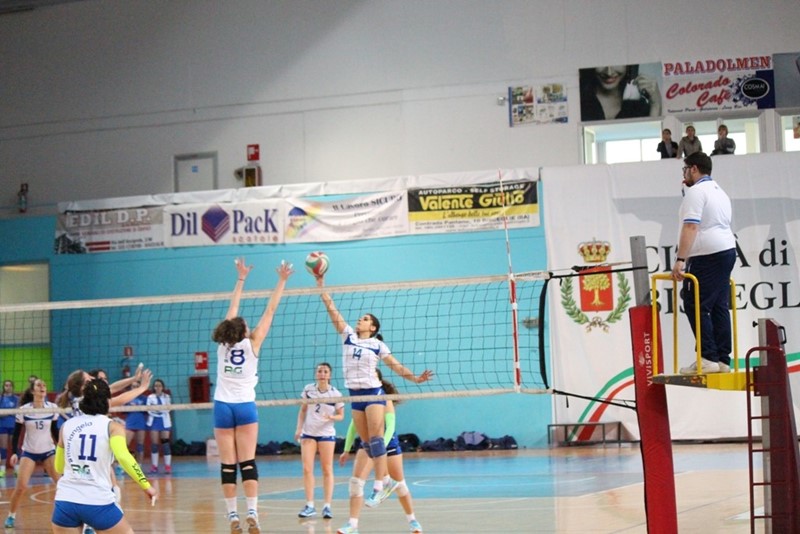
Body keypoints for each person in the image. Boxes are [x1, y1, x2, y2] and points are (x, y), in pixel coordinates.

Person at [316, 273, 433, 510]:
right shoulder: (348, 336)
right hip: (355, 395)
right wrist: (321, 286)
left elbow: (396, 366)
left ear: (373, 327)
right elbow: (332, 309)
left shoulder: (378, 345)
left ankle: (380, 485)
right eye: (360, 318)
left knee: (377, 439)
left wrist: (415, 378)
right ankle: (387, 481)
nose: (360, 320)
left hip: (373, 393)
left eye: (365, 319)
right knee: (368, 444)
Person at [212, 257, 293, 534]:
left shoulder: (223, 344)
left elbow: (232, 308)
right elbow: (270, 309)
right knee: (247, 463)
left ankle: (232, 516)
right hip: (245, 407)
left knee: (227, 465)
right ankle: (253, 514)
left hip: (222, 407)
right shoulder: (253, 343)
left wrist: (241, 278)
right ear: (244, 331)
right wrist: (281, 281)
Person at [51, 378, 157, 534]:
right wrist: (146, 486)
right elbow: (124, 457)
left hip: (65, 502)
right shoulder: (113, 427)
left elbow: (59, 467)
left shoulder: (66, 426)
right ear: (108, 401)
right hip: (97, 502)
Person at [671, 152, 736, 375]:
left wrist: (681, 259)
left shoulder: (697, 192)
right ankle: (722, 359)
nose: (684, 174)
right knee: (718, 305)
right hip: (726, 250)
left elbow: (691, 226)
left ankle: (708, 357)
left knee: (695, 303)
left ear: (694, 169)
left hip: (707, 255)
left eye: (685, 169)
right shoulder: (719, 191)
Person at [337, 369, 423, 534]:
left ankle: (413, 521)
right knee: (355, 483)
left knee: (400, 486)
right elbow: (354, 425)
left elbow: (390, 426)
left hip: (388, 445)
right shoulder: (360, 397)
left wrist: (381, 448)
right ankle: (352, 525)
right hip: (368, 445)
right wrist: (346, 449)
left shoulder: (384, 398)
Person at [4, 378, 60, 529]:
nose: (42, 387)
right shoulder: (24, 410)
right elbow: (16, 433)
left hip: (48, 451)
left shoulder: (52, 407)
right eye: (38, 385)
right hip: (29, 452)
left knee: (61, 485)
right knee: (21, 486)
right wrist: (14, 452)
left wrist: (62, 449)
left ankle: (66, 516)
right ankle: (11, 516)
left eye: (44, 385)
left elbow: (55, 431)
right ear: (32, 390)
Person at [295, 362, 344, 520]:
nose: (322, 374)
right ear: (316, 374)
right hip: (308, 433)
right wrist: (298, 428)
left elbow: (341, 416)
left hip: (326, 434)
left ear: (330, 375)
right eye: (320, 371)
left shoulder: (335, 393)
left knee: (327, 469)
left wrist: (331, 417)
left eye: (325, 371)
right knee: (307, 469)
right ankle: (310, 505)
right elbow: (303, 410)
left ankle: (327, 506)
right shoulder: (308, 389)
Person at [579, 65, 661, 121]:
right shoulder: (579, 100)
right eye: (602, 63)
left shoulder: (639, 107)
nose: (609, 73)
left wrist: (656, 104)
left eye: (615, 63)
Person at [146, 378, 173, 474]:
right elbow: (148, 409)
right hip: (154, 421)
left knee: (165, 444)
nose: (157, 387)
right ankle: (154, 466)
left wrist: (159, 410)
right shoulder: (150, 397)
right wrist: (157, 411)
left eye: (159, 386)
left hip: (164, 421)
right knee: (154, 445)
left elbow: (168, 408)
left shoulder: (167, 397)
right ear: (153, 387)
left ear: (162, 387)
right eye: (156, 386)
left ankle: (167, 466)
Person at [124, 381, 148, 464]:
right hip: (130, 423)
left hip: (140, 423)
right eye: (133, 386)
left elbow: (147, 411)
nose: (135, 388)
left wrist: (139, 408)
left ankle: (139, 465)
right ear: (131, 388)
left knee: (140, 445)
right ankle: (123, 465)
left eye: (137, 386)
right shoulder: (127, 397)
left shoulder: (144, 398)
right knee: (125, 445)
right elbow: (123, 410)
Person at [0, 380, 18, 478]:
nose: (8, 387)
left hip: (14, 425)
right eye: (6, 385)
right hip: (3, 425)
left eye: (10, 385)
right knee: (3, 448)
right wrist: (10, 412)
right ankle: (2, 469)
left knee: (14, 448)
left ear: (12, 387)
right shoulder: (1, 398)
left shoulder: (16, 399)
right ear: (3, 387)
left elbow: (18, 412)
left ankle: (17, 469)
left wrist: (6, 412)